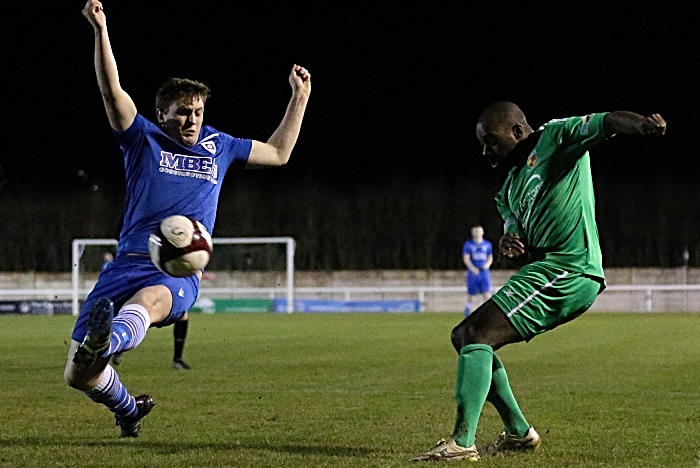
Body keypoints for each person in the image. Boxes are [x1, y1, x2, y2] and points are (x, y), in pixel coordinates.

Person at [65, 0, 310, 438]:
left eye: (197, 112)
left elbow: (279, 153)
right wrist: (100, 29)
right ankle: (128, 410)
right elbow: (111, 92)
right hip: (127, 262)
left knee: (149, 303)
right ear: (163, 113)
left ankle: (108, 341)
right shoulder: (143, 138)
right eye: (182, 111)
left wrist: (300, 97)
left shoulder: (221, 145)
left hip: (178, 265)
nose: (192, 119)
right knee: (77, 376)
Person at [412, 102, 666, 461]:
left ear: (517, 131)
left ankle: (462, 443)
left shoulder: (556, 138)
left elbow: (605, 122)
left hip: (570, 268)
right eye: (481, 145)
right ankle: (517, 433)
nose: (486, 152)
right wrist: (508, 242)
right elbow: (515, 232)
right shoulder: (510, 190)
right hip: (547, 269)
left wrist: (640, 125)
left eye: (491, 141)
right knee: (465, 337)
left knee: (475, 334)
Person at [462, 225, 493, 317]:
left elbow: (490, 257)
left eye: (479, 231)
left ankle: (489, 313)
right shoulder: (468, 245)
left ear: (482, 232)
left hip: (484, 273)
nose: (477, 233)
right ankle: (467, 313)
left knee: (487, 294)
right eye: (475, 231)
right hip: (473, 273)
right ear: (472, 233)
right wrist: (473, 268)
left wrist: (487, 265)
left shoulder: (487, 244)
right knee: (471, 295)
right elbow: (466, 258)